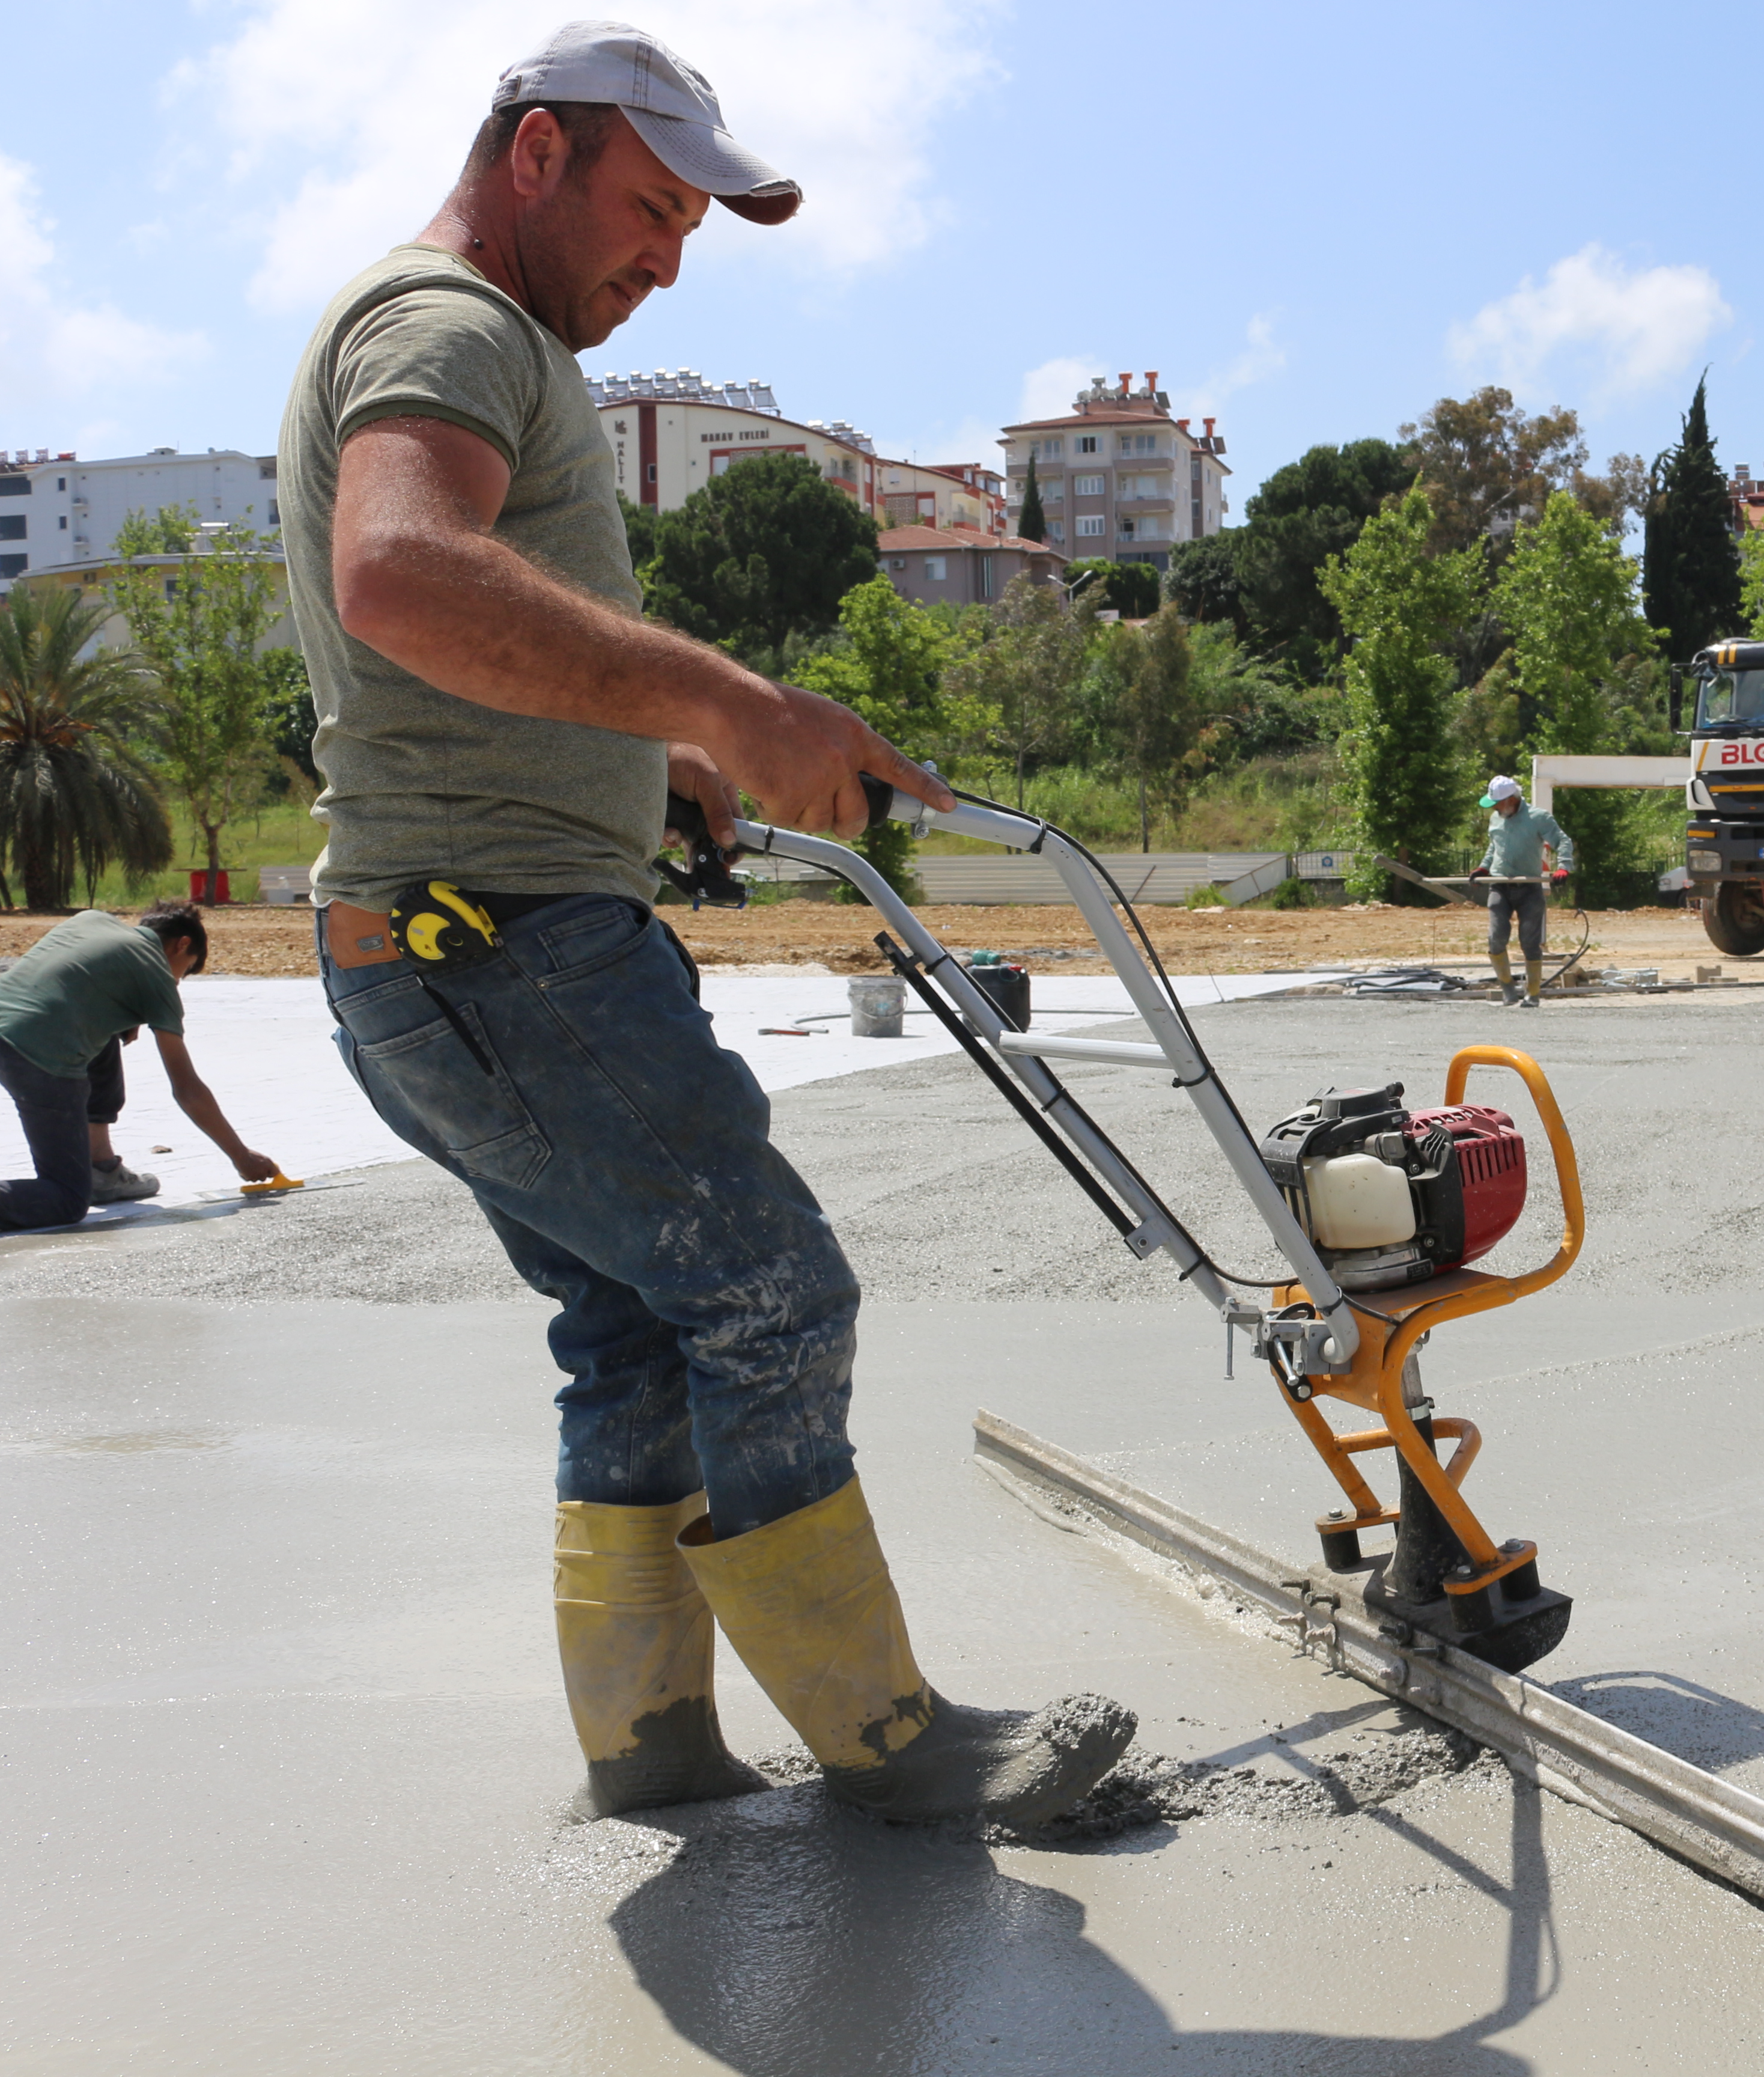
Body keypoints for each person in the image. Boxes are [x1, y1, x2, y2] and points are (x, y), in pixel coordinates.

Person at [278, 22, 1131, 1824]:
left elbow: (451, 646)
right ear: (535, 158)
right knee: (768, 1287)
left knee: (642, 1324)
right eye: (649, 207)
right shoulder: (453, 328)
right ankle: (894, 1744)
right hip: (499, 949)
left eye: (689, 229)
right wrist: (737, 703)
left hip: (453, 944)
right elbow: (403, 574)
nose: (666, 258)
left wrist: (645, 749)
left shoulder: (471, 332)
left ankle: (650, 1740)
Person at [0, 903, 281, 1251]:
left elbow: (66, 981)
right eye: (185, 972)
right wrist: (241, 1156)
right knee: (66, 1199)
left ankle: (102, 1170)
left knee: (107, 1035)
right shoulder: (158, 978)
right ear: (181, 946)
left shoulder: (92, 920)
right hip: (35, 1057)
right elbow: (187, 1088)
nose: (177, 981)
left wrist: (121, 1019)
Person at [1468, 775, 1571, 1007]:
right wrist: (1484, 867)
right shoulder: (1496, 819)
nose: (1493, 807)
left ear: (1511, 800)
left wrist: (1564, 867)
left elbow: (1562, 841)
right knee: (1496, 939)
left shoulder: (1538, 818)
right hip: (1500, 885)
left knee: (1530, 942)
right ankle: (1508, 990)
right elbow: (1495, 846)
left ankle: (1533, 995)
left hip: (1529, 888)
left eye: (1497, 803)